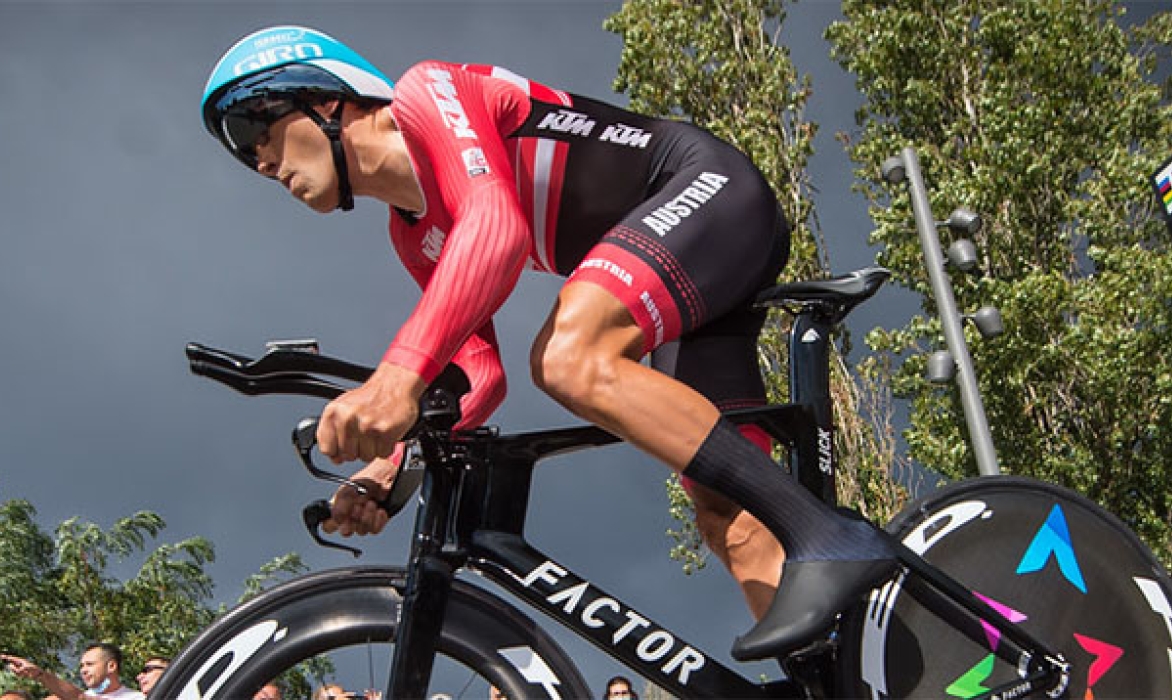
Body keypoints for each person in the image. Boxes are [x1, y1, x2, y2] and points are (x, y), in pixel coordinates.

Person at [200, 24, 897, 660]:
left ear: (327, 99)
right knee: (730, 518)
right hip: (691, 272)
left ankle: (829, 536)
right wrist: (388, 467)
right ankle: (851, 668)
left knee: (570, 357)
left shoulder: (425, 93)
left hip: (706, 190)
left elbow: (496, 230)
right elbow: (477, 375)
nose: (258, 162)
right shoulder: (414, 237)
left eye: (250, 128)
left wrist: (393, 380)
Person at [2, 645, 142, 700]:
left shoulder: (136, 698)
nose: (83, 670)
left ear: (111, 666)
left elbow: (80, 698)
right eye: (81, 666)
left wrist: (40, 674)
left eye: (90, 664)